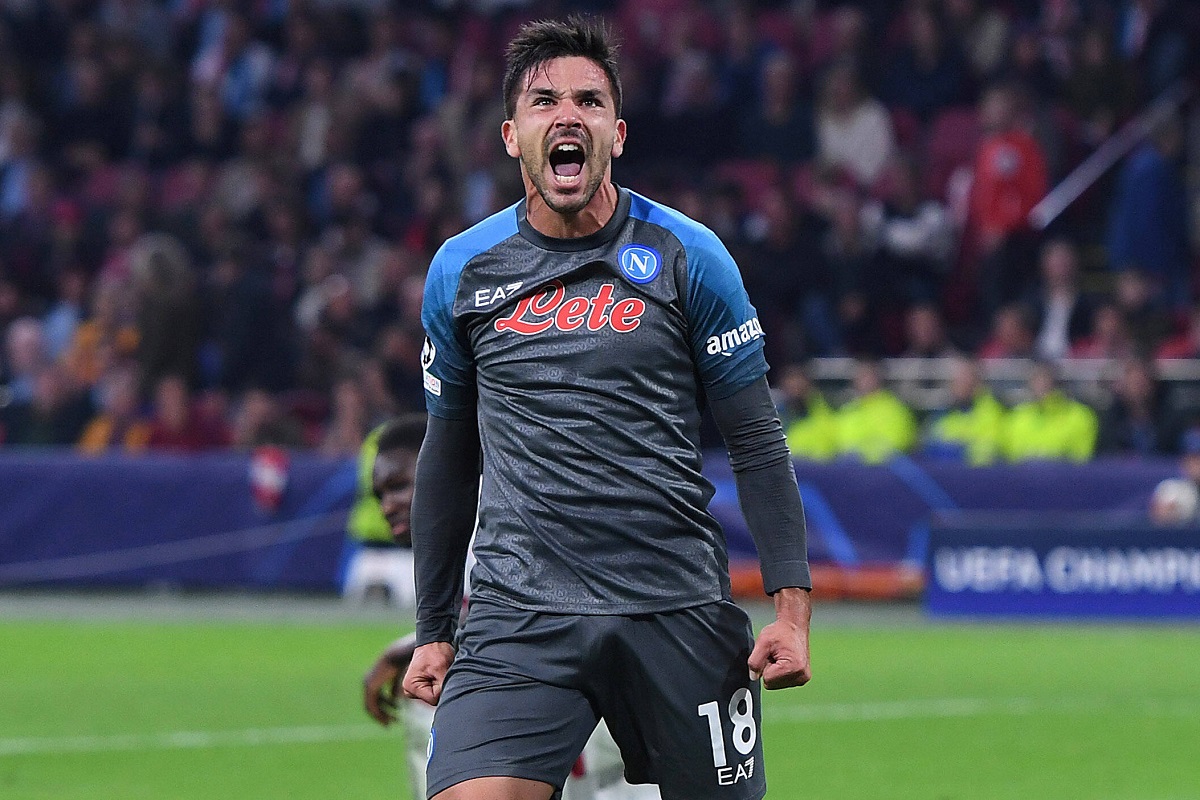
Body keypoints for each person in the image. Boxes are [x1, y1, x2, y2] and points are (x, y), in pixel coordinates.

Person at [406, 17, 811, 800]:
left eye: (589, 101)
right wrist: (433, 630)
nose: (568, 115)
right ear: (511, 135)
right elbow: (448, 458)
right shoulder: (461, 270)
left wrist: (790, 613)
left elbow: (759, 446)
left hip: (676, 608)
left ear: (616, 134)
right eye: (544, 101)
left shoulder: (690, 256)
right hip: (519, 616)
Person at [361, 414, 660, 800]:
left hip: (599, 678)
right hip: (573, 682)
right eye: (380, 495)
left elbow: (518, 611)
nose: (387, 506)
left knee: (433, 696)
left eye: (399, 486)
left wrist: (406, 649)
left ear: (442, 468)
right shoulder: (476, 520)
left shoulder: (491, 518)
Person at [1004, 361, 1098, 463]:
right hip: (1022, 472)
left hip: (1064, 472)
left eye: (1045, 379)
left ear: (1056, 382)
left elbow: (1081, 458)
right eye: (1036, 379)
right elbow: (1009, 459)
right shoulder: (1016, 417)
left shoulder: (1080, 416)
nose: (1040, 385)